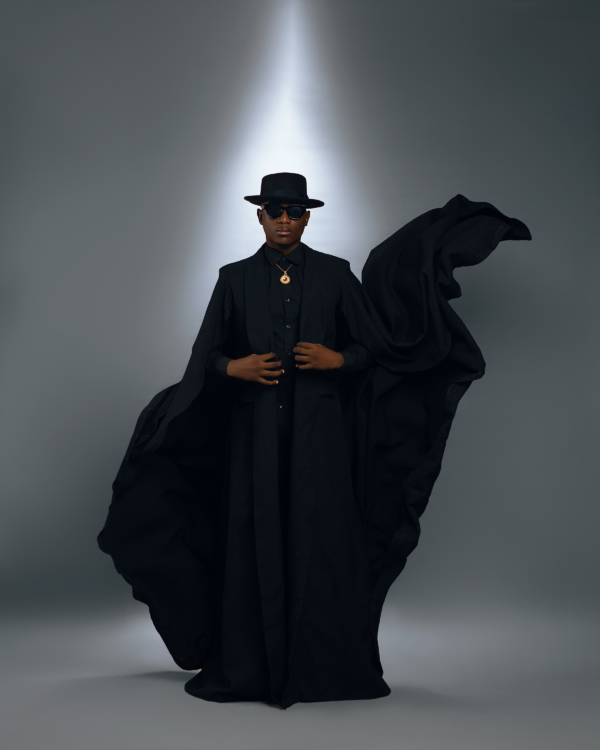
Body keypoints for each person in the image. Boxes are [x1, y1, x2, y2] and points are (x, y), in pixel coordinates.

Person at [98, 172, 531, 709]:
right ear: (259, 215)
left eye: (295, 211)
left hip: (319, 438)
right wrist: (233, 366)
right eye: (274, 210)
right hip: (252, 437)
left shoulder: (335, 275)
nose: (284, 220)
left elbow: (375, 349)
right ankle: (250, 667)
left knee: (319, 539)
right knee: (253, 538)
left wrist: (339, 359)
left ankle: (322, 667)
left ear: (307, 218)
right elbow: (204, 356)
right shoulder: (233, 279)